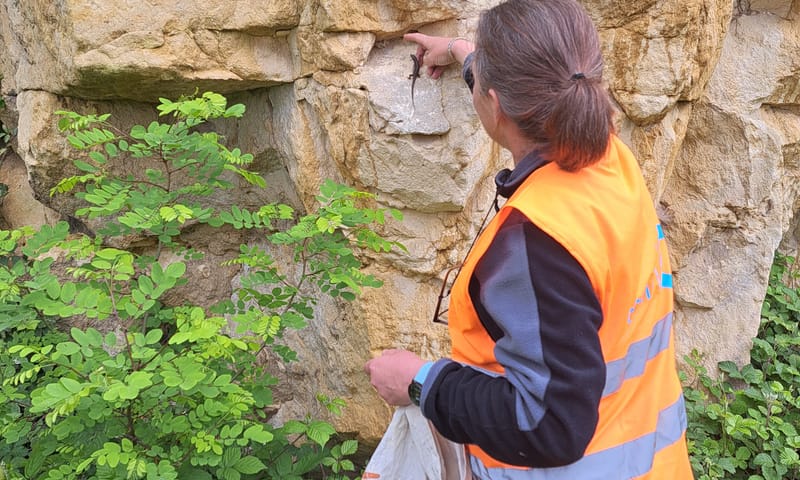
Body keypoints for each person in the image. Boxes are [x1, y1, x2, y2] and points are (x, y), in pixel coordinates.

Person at [363, 0, 694, 478]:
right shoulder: (609, 153)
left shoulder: (538, 242)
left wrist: (418, 381)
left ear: (495, 105)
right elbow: (548, 81)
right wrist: (461, 53)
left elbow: (550, 426)